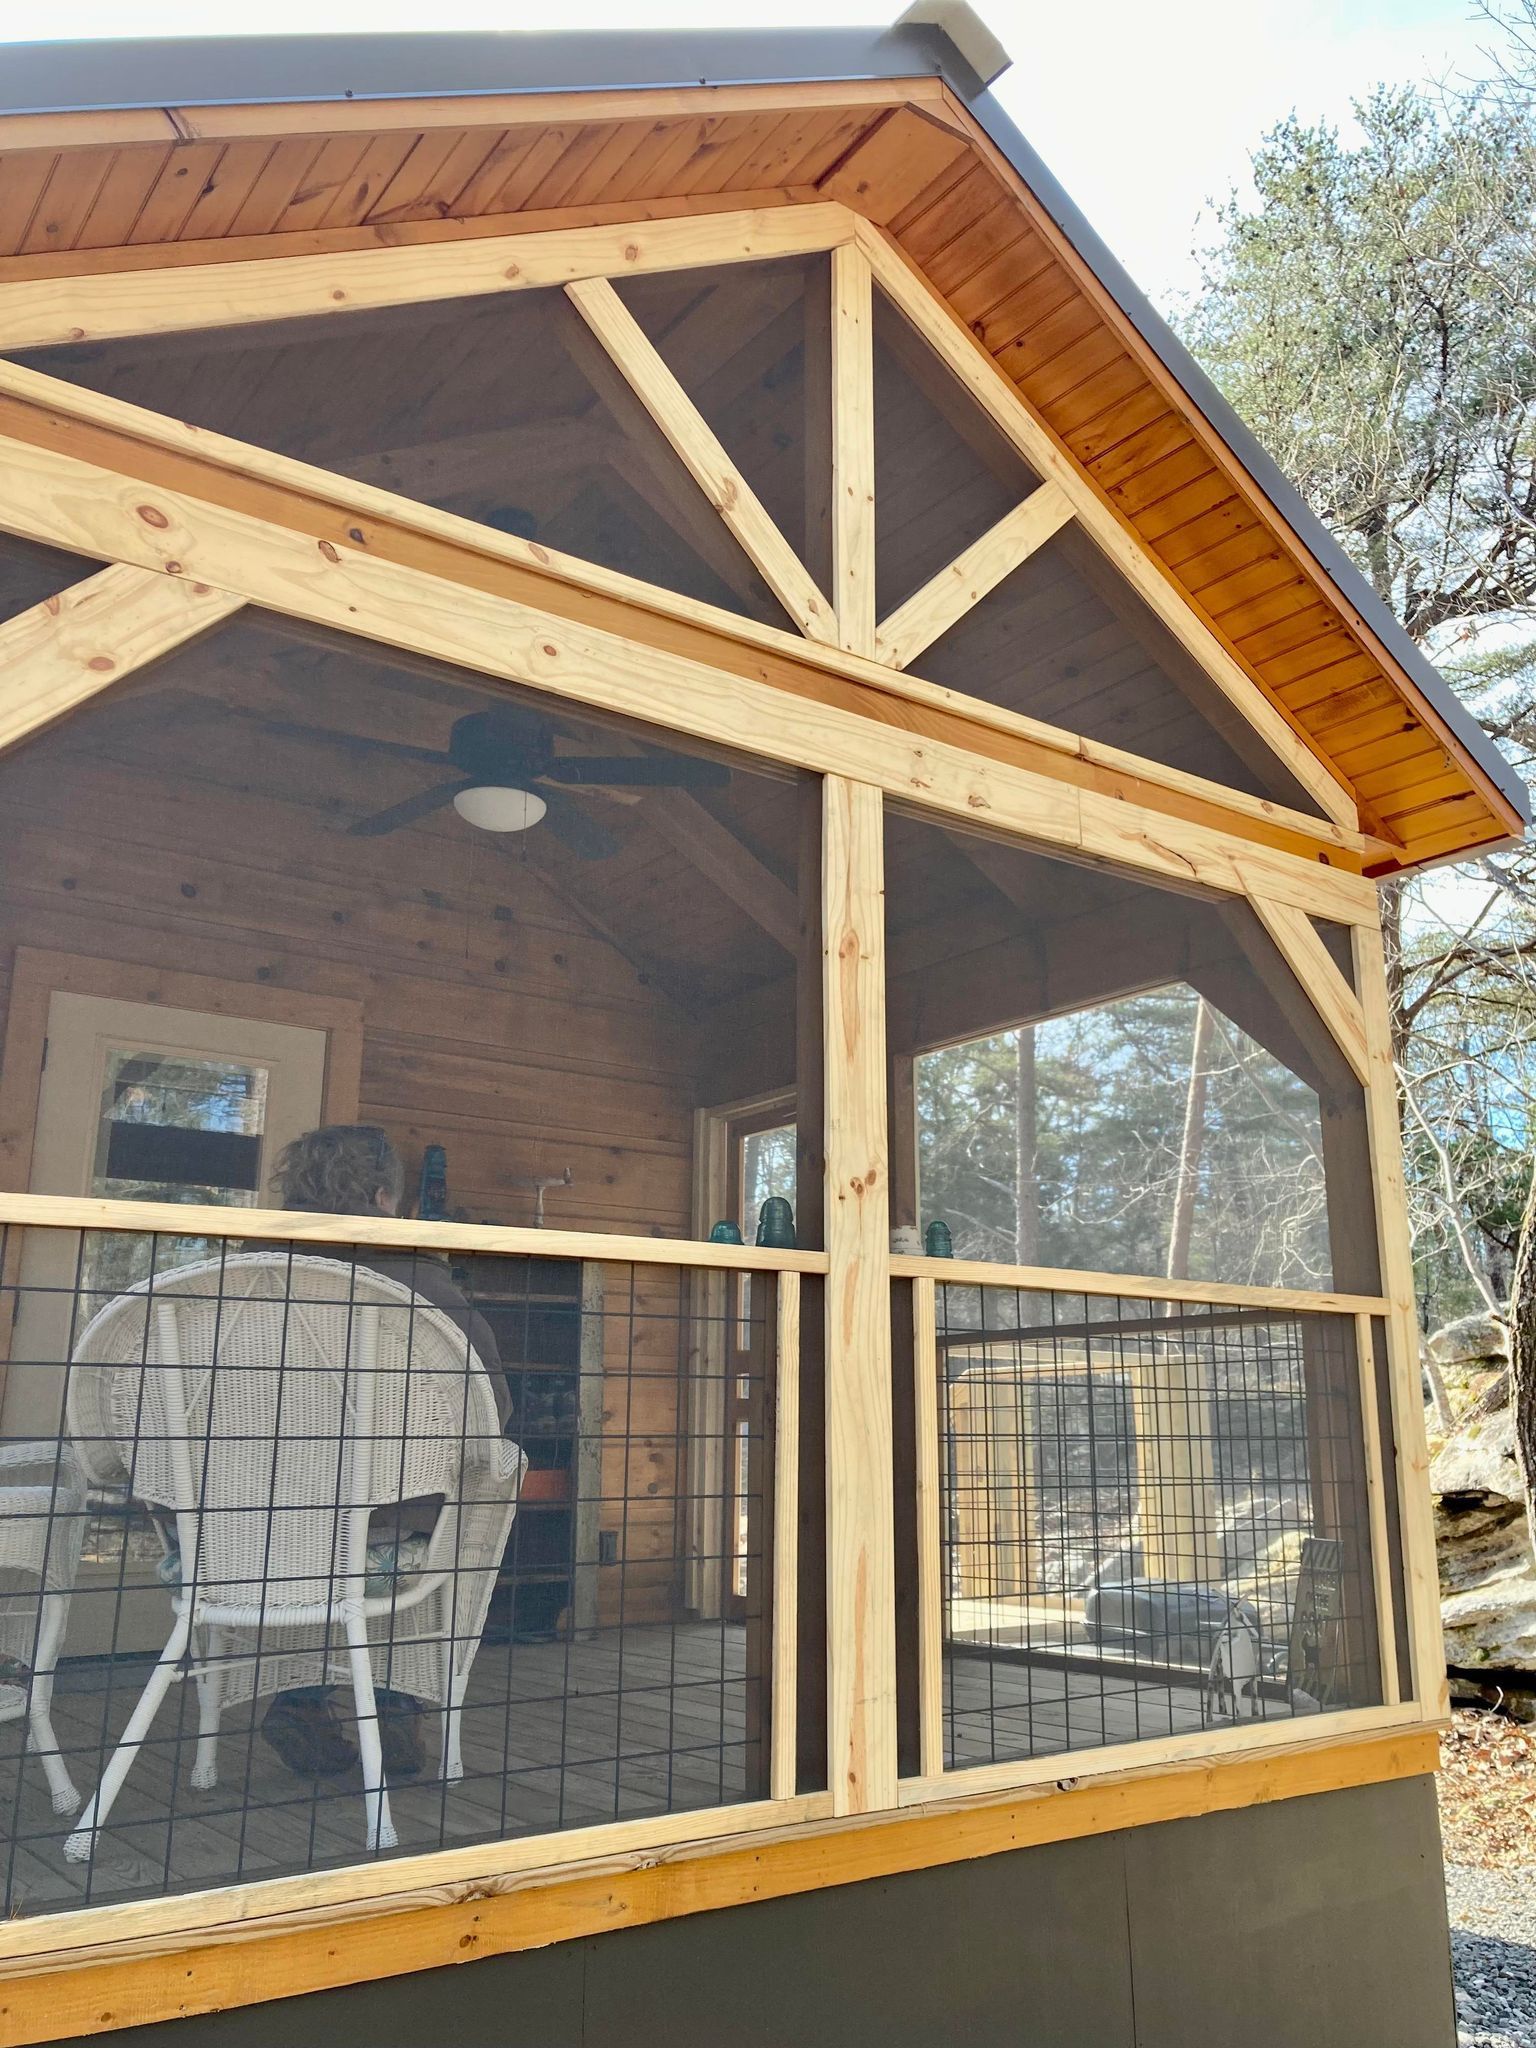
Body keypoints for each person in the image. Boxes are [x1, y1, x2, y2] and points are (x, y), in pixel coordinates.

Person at [257, 1124, 510, 1783]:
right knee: (445, 1504)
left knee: (327, 1525)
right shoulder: (430, 1295)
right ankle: (395, 1701)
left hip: (248, 1537)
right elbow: (492, 1419)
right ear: (381, 1198)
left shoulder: (236, 1286)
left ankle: (303, 1700)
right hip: (385, 1527)